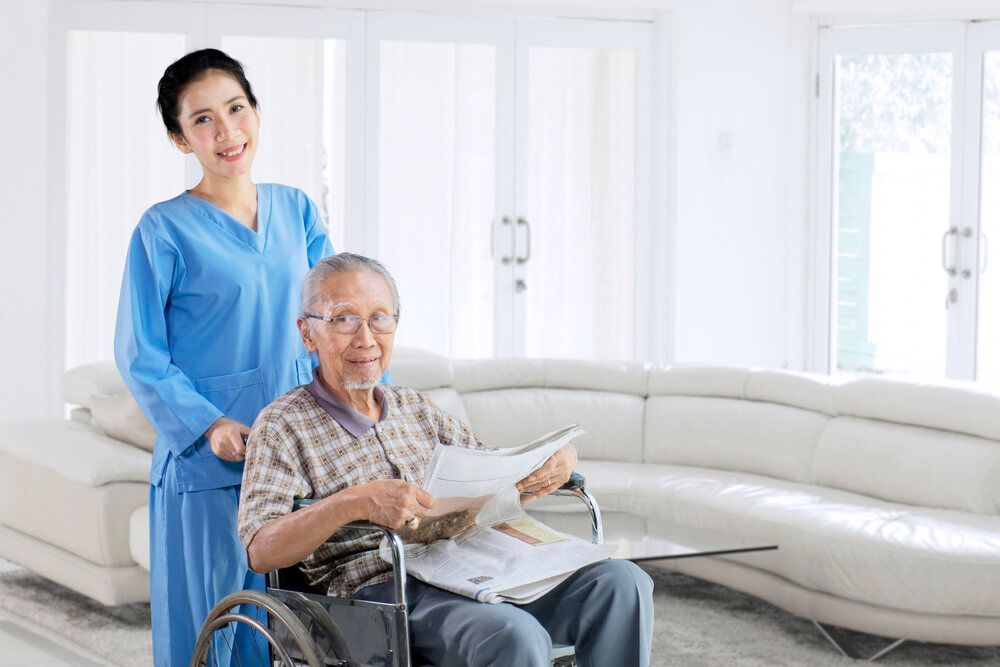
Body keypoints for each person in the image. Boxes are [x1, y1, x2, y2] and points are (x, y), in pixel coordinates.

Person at [238, 253, 654, 667]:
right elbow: (260, 549)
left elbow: (492, 468)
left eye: (380, 318)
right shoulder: (281, 424)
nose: (365, 338)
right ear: (308, 334)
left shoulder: (416, 407)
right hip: (382, 594)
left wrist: (558, 457)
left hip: (476, 564)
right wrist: (354, 502)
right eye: (344, 319)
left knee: (623, 582)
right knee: (511, 634)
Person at [114, 49, 387, 666]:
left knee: (300, 631)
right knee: (219, 627)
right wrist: (209, 426)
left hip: (299, 455)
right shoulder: (163, 230)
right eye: (203, 119)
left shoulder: (297, 210)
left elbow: (341, 317)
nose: (227, 131)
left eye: (236, 109)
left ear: (257, 113)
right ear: (180, 138)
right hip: (211, 466)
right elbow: (140, 354)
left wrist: (373, 404)